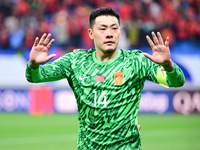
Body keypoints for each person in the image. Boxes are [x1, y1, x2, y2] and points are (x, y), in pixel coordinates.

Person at [26, 7, 185, 150]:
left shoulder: (136, 61)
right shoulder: (75, 61)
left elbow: (176, 81)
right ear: (90, 33)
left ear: (120, 32)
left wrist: (168, 65)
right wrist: (33, 65)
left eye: (114, 28)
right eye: (102, 28)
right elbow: (36, 77)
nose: (109, 33)